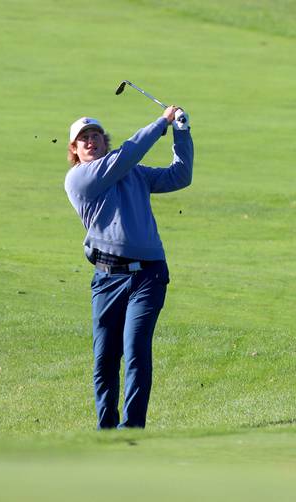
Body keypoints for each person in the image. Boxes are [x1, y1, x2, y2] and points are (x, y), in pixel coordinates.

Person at [64, 105, 193, 429]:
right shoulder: (79, 179)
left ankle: (131, 430)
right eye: (83, 139)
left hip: (149, 275)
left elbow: (180, 175)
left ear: (105, 142)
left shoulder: (132, 172)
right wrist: (160, 122)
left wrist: (180, 131)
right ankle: (105, 429)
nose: (91, 141)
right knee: (105, 359)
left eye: (96, 136)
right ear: (75, 151)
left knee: (136, 351)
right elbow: (128, 154)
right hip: (107, 280)